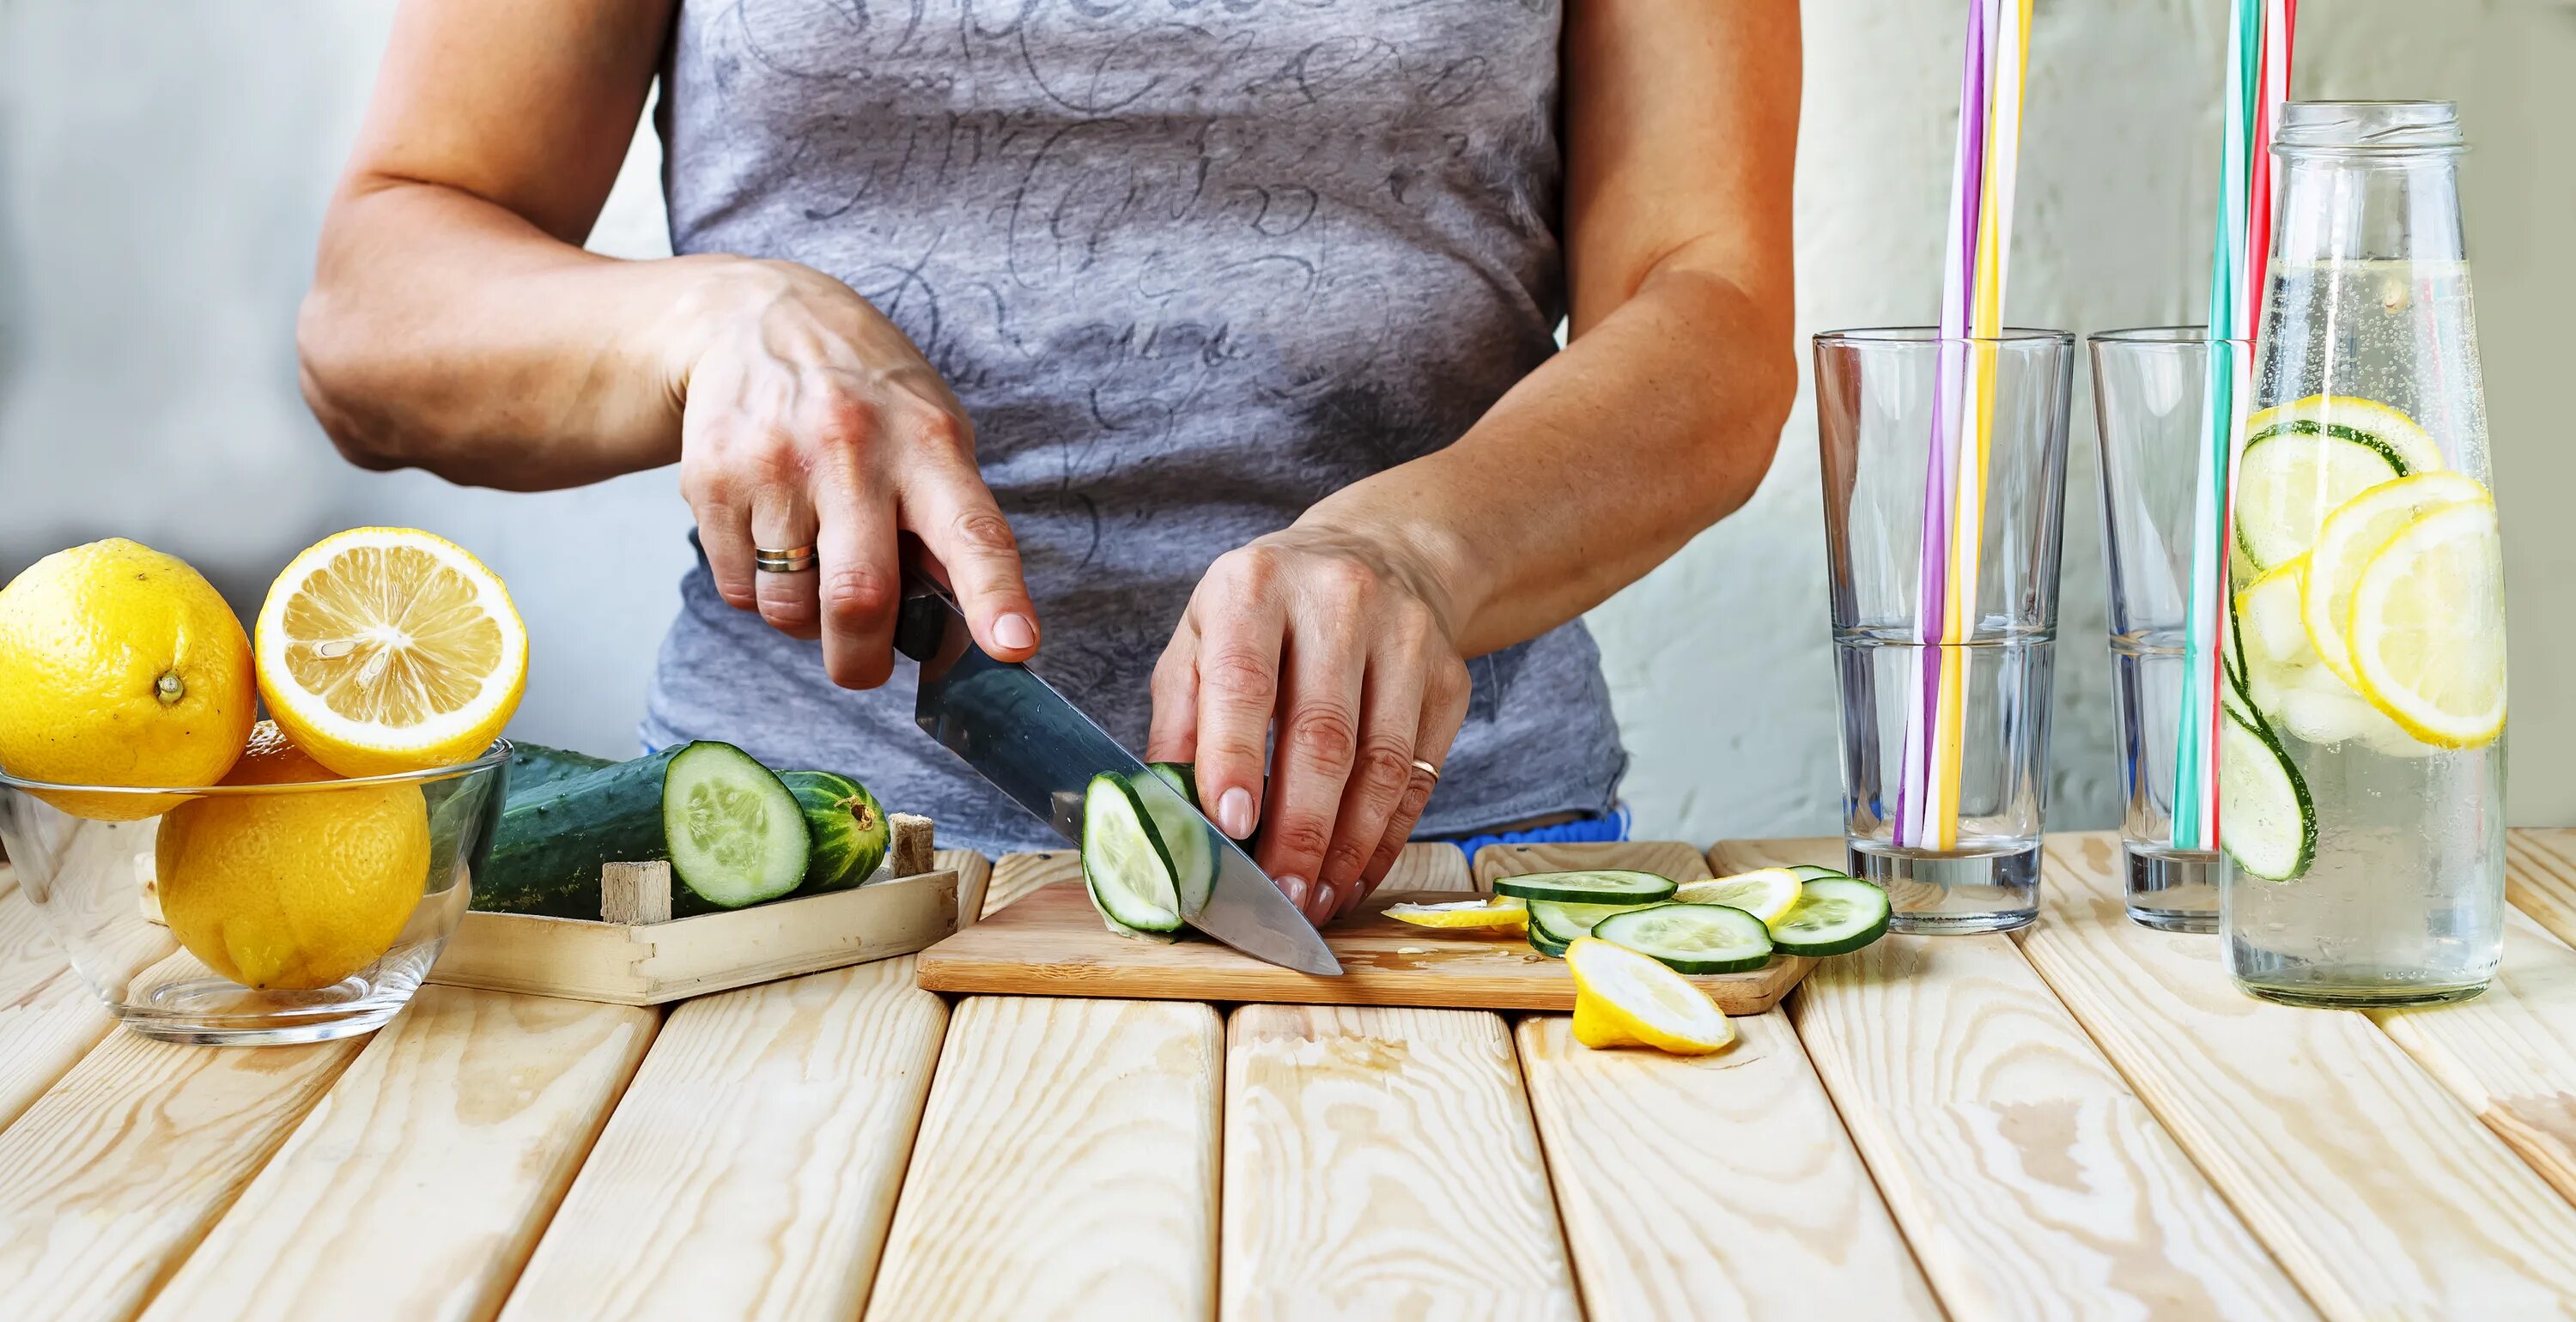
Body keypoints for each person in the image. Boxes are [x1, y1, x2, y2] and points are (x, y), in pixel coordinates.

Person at [300, 0, 1799, 924]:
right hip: (794, 876)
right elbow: (374, 314)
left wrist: (1420, 551)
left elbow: (1710, 309)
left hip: (1425, 872)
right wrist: (706, 320)